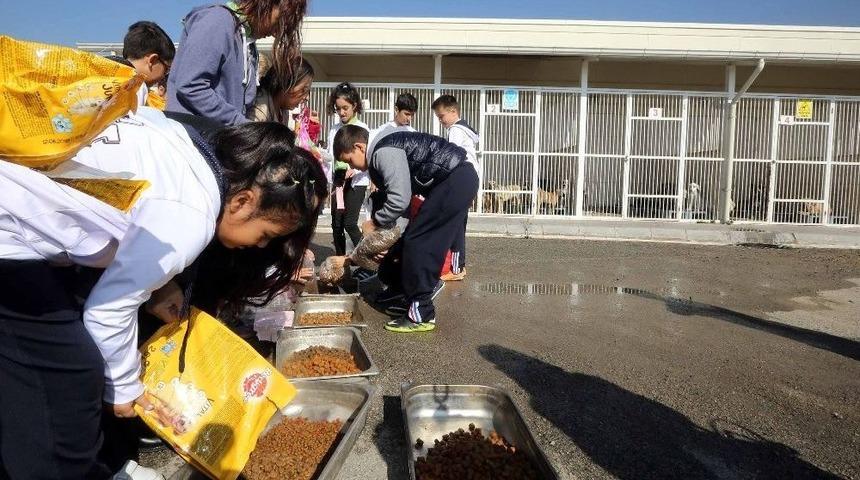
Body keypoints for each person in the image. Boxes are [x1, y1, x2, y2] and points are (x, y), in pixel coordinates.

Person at [0, 109, 327, 479]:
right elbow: (107, 312)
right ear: (242, 202)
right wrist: (124, 390)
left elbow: (140, 228)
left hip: (21, 210)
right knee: (71, 374)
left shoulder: (186, 147)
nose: (259, 246)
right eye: (265, 235)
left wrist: (159, 281)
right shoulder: (194, 217)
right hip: (10, 237)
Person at [333, 124, 479, 333]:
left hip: (456, 179)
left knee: (420, 243)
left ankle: (421, 313)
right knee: (407, 241)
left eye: (349, 160)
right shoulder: (383, 147)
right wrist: (390, 237)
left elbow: (399, 200)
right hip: (456, 179)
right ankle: (400, 292)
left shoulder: (382, 152)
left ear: (359, 147)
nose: (353, 167)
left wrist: (374, 223)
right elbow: (404, 207)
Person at [167, 0, 308, 126]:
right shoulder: (218, 20)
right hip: (190, 138)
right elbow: (191, 85)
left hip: (216, 138)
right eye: (278, 22)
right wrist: (241, 124)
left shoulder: (248, 45)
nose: (276, 32)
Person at [432, 94, 480, 281]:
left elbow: (450, 158)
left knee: (456, 225)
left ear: (453, 111)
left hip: (461, 180)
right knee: (458, 223)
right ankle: (457, 266)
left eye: (441, 116)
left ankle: (457, 268)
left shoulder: (456, 131)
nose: (440, 120)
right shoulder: (464, 130)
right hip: (468, 180)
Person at [326, 82, 370, 256]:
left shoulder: (363, 129)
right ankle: (340, 262)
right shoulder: (334, 130)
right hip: (338, 181)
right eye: (338, 109)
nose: (342, 112)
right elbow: (331, 155)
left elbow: (367, 158)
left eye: (345, 108)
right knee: (336, 225)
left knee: (350, 223)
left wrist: (356, 171)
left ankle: (366, 257)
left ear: (355, 106)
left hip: (356, 181)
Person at [249, 57, 315, 125]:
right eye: (303, 90)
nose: (307, 98)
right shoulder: (258, 112)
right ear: (286, 84)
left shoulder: (283, 110)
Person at [121, 21, 174, 88]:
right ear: (152, 60)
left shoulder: (108, 77)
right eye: (166, 70)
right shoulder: (137, 90)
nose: (163, 77)